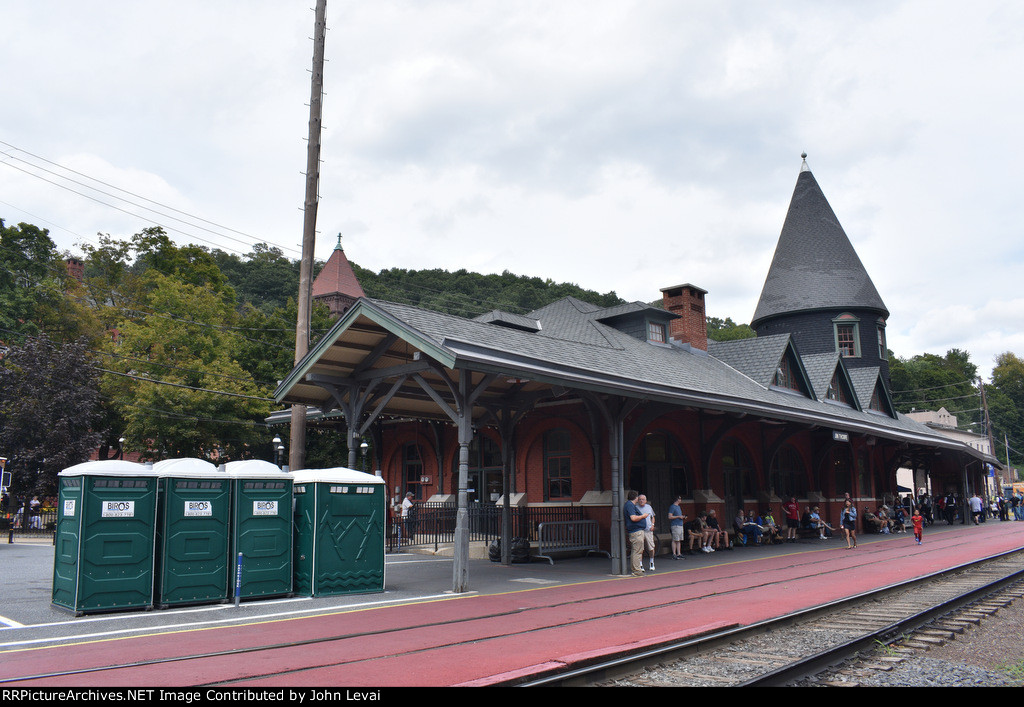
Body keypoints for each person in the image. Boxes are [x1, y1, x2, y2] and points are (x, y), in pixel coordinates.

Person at [623, 490, 650, 577]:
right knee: (637, 551)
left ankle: (635, 569)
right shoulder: (630, 505)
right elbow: (633, 518)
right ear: (636, 497)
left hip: (636, 531)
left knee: (636, 550)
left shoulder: (629, 505)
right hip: (636, 531)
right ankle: (637, 570)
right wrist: (643, 516)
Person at [636, 494, 657, 570]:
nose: (641, 501)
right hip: (640, 530)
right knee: (640, 548)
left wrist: (653, 525)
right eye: (640, 499)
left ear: (646, 500)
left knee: (651, 547)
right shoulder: (636, 507)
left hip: (648, 530)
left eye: (643, 499)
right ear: (638, 500)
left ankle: (652, 561)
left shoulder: (649, 507)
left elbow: (653, 517)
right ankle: (640, 564)